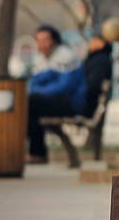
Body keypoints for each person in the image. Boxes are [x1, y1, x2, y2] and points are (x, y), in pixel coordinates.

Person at [25, 25, 84, 164]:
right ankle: (37, 153)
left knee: (31, 102)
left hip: (70, 103)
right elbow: (33, 83)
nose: (42, 44)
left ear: (54, 40)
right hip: (50, 101)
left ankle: (37, 153)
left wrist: (37, 92)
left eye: (46, 40)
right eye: (38, 40)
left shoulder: (65, 56)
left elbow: (64, 87)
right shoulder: (39, 59)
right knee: (28, 106)